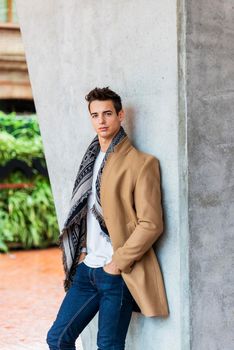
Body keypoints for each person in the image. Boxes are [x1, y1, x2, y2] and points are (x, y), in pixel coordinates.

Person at [46, 87, 169, 350]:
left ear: (120, 115)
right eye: (95, 115)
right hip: (87, 269)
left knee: (108, 346)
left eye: (107, 114)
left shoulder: (141, 163)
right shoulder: (89, 160)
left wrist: (118, 262)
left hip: (116, 273)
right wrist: (80, 254)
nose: (101, 121)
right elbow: (82, 213)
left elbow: (151, 223)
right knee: (57, 339)